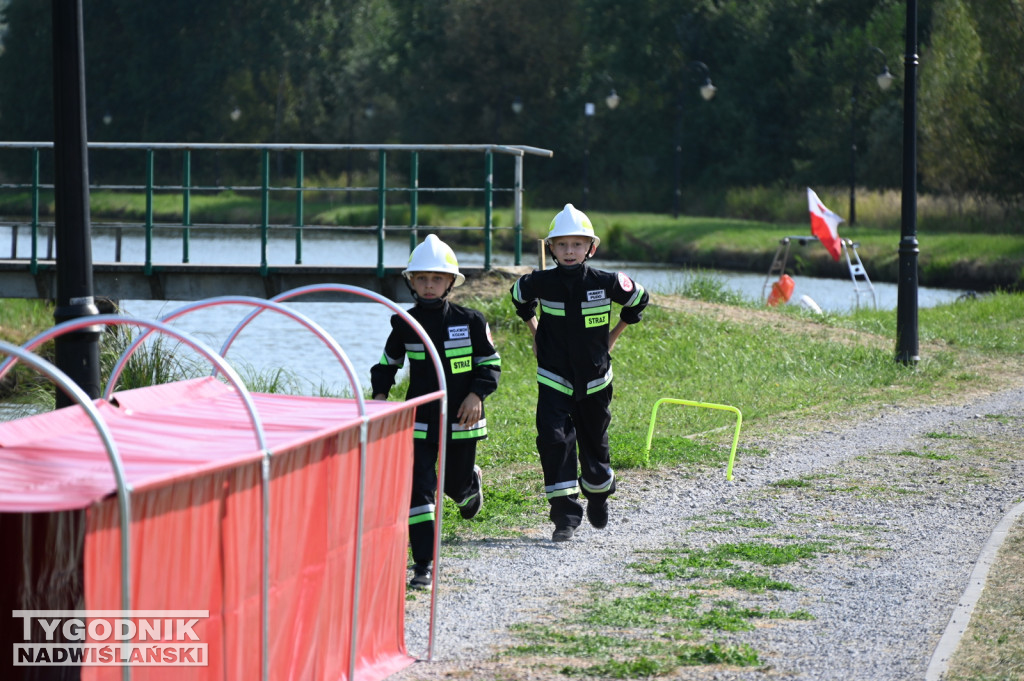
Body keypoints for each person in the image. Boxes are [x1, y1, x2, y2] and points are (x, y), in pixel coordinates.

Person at [509, 204, 649, 542]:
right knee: (553, 439)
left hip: (596, 378)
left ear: (591, 248)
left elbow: (639, 300)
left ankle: (599, 494)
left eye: (577, 244)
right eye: (562, 244)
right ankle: (565, 517)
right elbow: (518, 297)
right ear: (551, 248)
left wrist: (611, 339)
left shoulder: (608, 281)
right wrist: (535, 331)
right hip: (553, 376)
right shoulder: (539, 282)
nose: (569, 251)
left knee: (594, 444)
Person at [371, 234, 501, 589]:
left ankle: (467, 487)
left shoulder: (471, 320)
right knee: (419, 488)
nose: (429, 285)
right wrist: (380, 396)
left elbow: (490, 365)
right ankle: (423, 565)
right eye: (422, 279)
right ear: (412, 282)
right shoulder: (403, 323)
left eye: (436, 279)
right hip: (420, 420)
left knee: (452, 485)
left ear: (450, 283)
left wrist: (477, 395)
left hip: (463, 417)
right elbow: (387, 364)